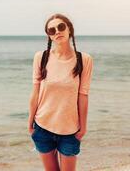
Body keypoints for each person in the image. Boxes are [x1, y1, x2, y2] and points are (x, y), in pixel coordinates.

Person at [28, 13, 94, 171]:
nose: (57, 31)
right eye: (51, 30)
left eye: (61, 27)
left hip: (70, 130)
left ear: (69, 30)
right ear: (49, 36)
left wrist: (83, 127)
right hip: (42, 126)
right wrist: (30, 122)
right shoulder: (41, 57)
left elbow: (83, 96)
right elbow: (35, 92)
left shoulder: (84, 60)